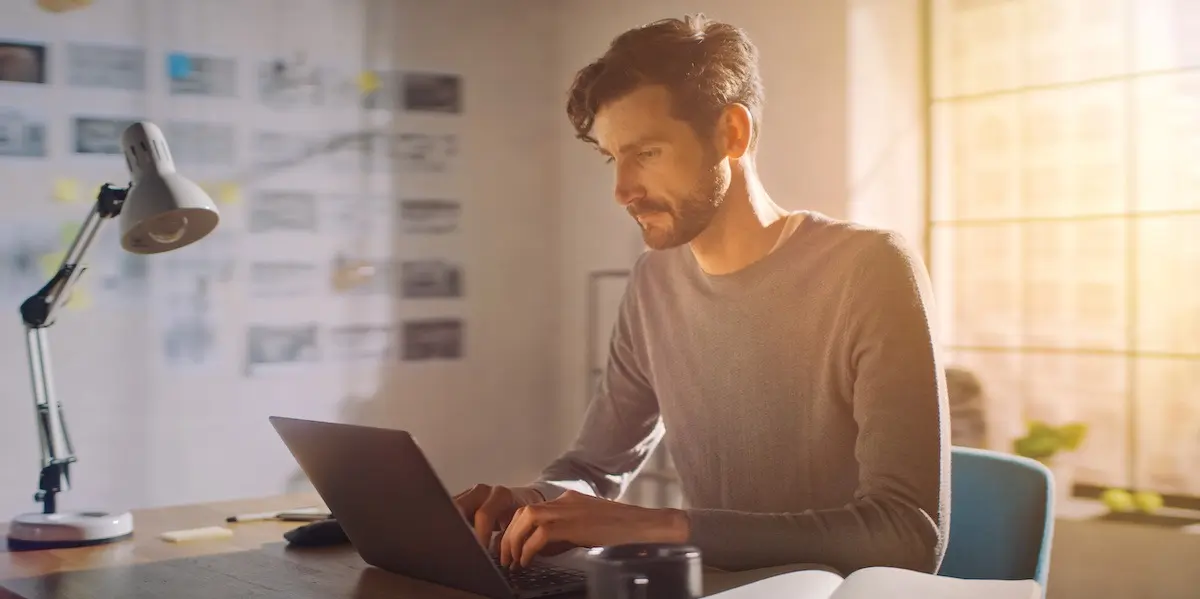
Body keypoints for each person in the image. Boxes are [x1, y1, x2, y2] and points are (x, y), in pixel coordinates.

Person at [454, 14, 950, 577]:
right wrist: (534, 505)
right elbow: (593, 465)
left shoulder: (871, 267)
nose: (622, 190)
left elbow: (907, 535)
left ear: (732, 134)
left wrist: (657, 525)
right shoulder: (653, 282)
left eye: (647, 153)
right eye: (613, 158)